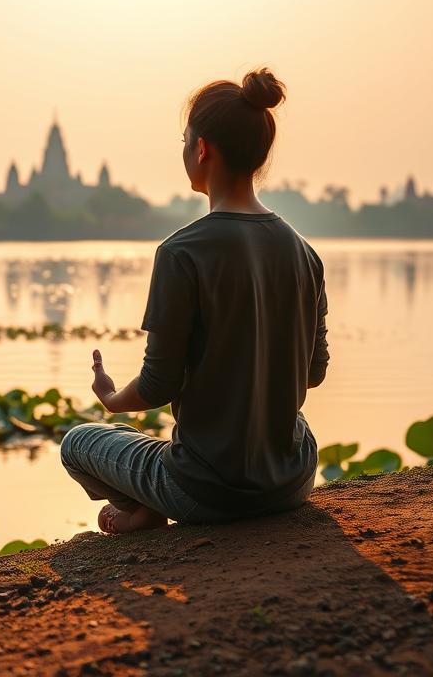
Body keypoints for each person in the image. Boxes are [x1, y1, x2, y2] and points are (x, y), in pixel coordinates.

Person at [60, 66, 329, 534]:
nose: (185, 150)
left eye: (185, 140)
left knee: (79, 444)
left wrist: (112, 399)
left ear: (201, 148)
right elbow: (315, 372)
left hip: (206, 492)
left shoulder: (180, 252)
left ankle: (143, 509)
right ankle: (148, 506)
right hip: (292, 482)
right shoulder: (305, 253)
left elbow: (158, 384)